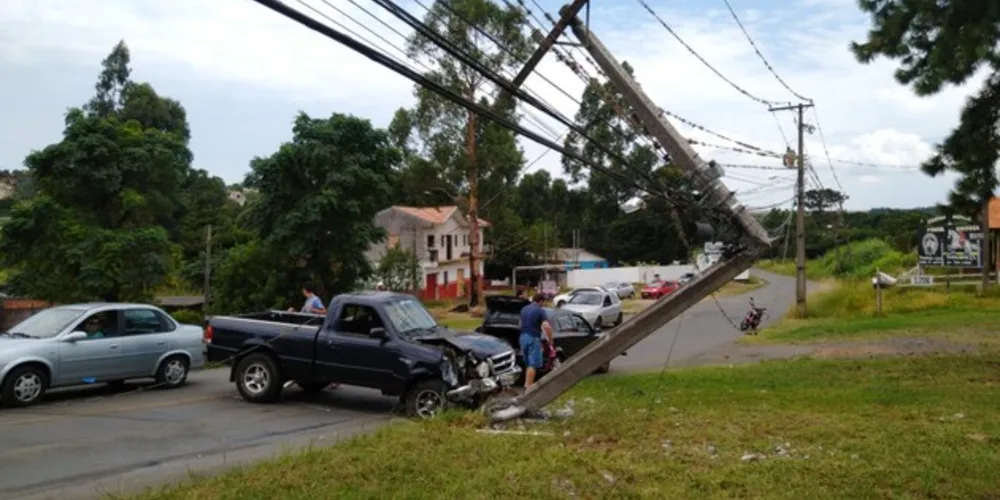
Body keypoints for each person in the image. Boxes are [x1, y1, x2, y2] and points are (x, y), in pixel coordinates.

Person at [518, 293, 554, 388]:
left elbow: (520, 325)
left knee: (528, 363)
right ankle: (529, 388)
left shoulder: (524, 309)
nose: (544, 303)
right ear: (541, 301)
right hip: (533, 337)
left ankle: (526, 383)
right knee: (533, 364)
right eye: (544, 301)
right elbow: (546, 326)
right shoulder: (540, 311)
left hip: (522, 337)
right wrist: (550, 340)